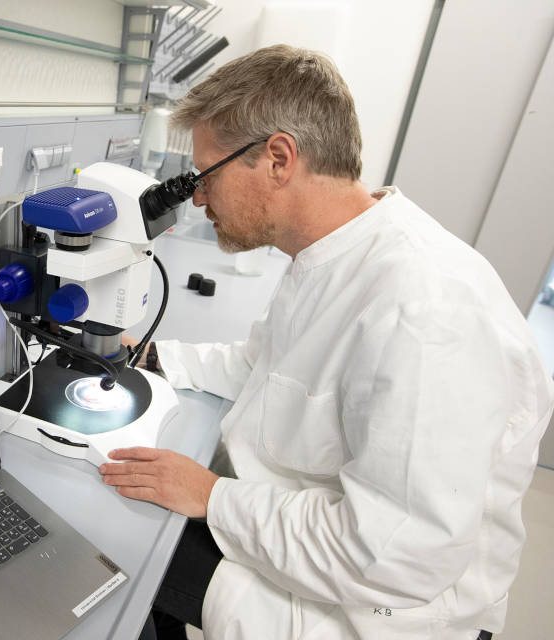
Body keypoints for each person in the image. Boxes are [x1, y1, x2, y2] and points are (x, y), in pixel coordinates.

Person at [100, 44, 554, 640]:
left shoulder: (426, 311)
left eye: (206, 177)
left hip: (378, 610)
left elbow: (392, 553)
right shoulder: (334, 252)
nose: (200, 199)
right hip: (316, 539)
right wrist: (153, 356)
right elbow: (265, 366)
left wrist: (212, 496)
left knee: (124, 540)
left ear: (279, 159)